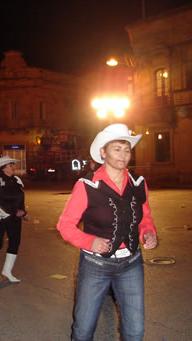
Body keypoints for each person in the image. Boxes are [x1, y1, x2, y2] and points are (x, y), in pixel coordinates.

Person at [57, 123, 158, 341]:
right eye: (117, 149)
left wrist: (148, 232)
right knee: (83, 330)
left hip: (131, 263)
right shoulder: (87, 186)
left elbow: (145, 217)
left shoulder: (139, 184)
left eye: (127, 149)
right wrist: (88, 241)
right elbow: (64, 225)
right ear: (103, 152)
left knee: (135, 331)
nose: (123, 155)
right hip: (96, 265)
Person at [0, 156, 29, 283]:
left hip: (15, 219)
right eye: (10, 165)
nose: (13, 167)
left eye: (12, 164)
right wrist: (16, 212)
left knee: (15, 243)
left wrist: (23, 212)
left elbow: (21, 199)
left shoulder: (17, 181)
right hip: (1, 218)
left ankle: (7, 271)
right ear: (3, 168)